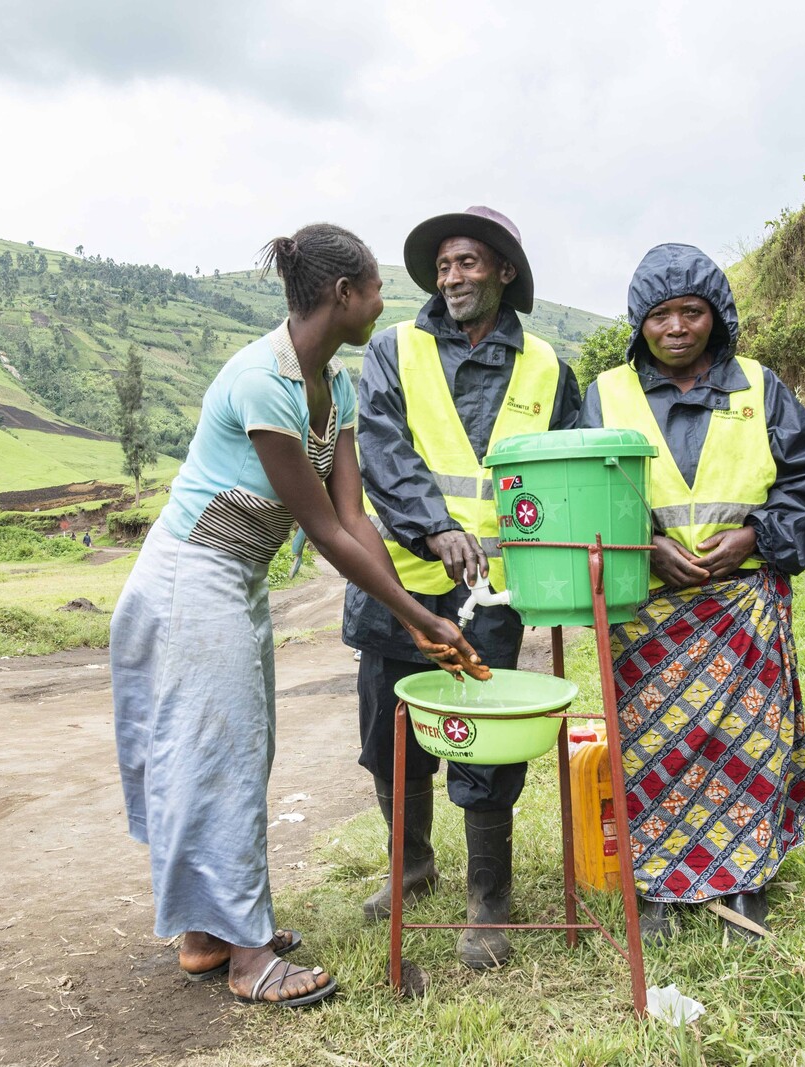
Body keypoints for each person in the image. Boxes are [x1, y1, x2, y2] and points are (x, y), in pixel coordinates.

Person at [109, 223, 489, 1009]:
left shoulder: (336, 385)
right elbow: (321, 531)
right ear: (343, 295)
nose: (386, 300)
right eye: (377, 287)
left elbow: (357, 523)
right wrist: (418, 612)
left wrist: (419, 619)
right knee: (222, 748)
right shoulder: (262, 382)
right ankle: (246, 954)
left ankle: (206, 932)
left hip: (235, 577)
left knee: (243, 745)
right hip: (189, 576)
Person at [580, 243, 805, 941]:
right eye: (659, 315)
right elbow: (581, 495)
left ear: (715, 314)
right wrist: (645, 546)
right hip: (649, 615)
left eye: (690, 312)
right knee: (653, 746)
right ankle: (662, 882)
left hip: (742, 608)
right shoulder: (606, 396)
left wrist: (756, 534)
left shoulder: (760, 387)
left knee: (746, 744)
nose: (675, 328)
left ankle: (742, 879)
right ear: (640, 324)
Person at [344, 206, 582, 970]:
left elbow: (561, 476)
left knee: (486, 744)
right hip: (401, 585)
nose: (453, 277)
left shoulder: (547, 369)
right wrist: (431, 524)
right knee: (391, 738)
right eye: (444, 265)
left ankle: (490, 903)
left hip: (496, 596)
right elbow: (381, 447)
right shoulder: (392, 352)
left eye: (469, 263)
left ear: (504, 271)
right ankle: (410, 866)